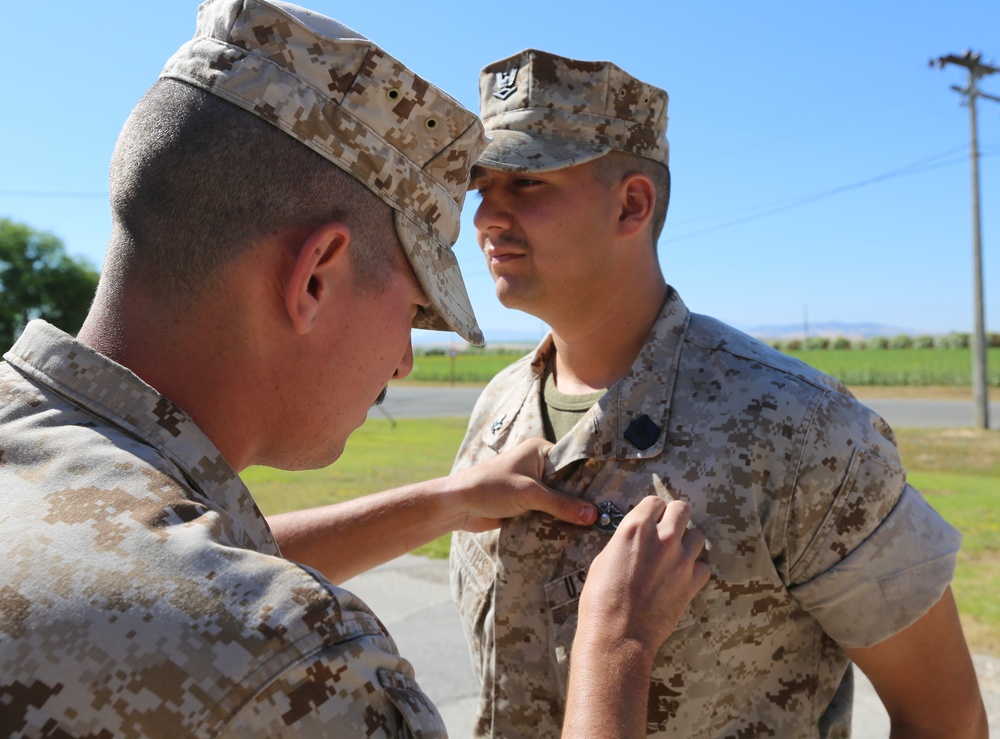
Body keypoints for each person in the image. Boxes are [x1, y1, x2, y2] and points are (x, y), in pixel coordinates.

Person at [0, 6, 710, 737]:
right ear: (315, 278)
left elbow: (163, 547)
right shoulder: (293, 662)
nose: (404, 357)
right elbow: (199, 584)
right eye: (412, 305)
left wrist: (444, 501)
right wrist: (617, 642)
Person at [449, 48, 989, 738]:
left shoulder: (797, 429)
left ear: (631, 205)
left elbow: (948, 718)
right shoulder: (498, 410)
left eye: (524, 184)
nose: (486, 217)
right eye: (481, 187)